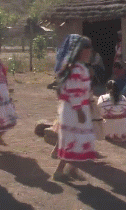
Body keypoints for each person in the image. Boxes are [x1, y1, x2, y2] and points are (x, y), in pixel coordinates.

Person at [52, 34, 97, 182]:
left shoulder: (79, 67)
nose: (89, 53)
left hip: (76, 108)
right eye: (87, 50)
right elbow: (74, 91)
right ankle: (60, 171)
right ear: (79, 51)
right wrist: (79, 110)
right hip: (74, 110)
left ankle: (72, 169)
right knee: (75, 140)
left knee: (78, 140)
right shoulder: (76, 69)